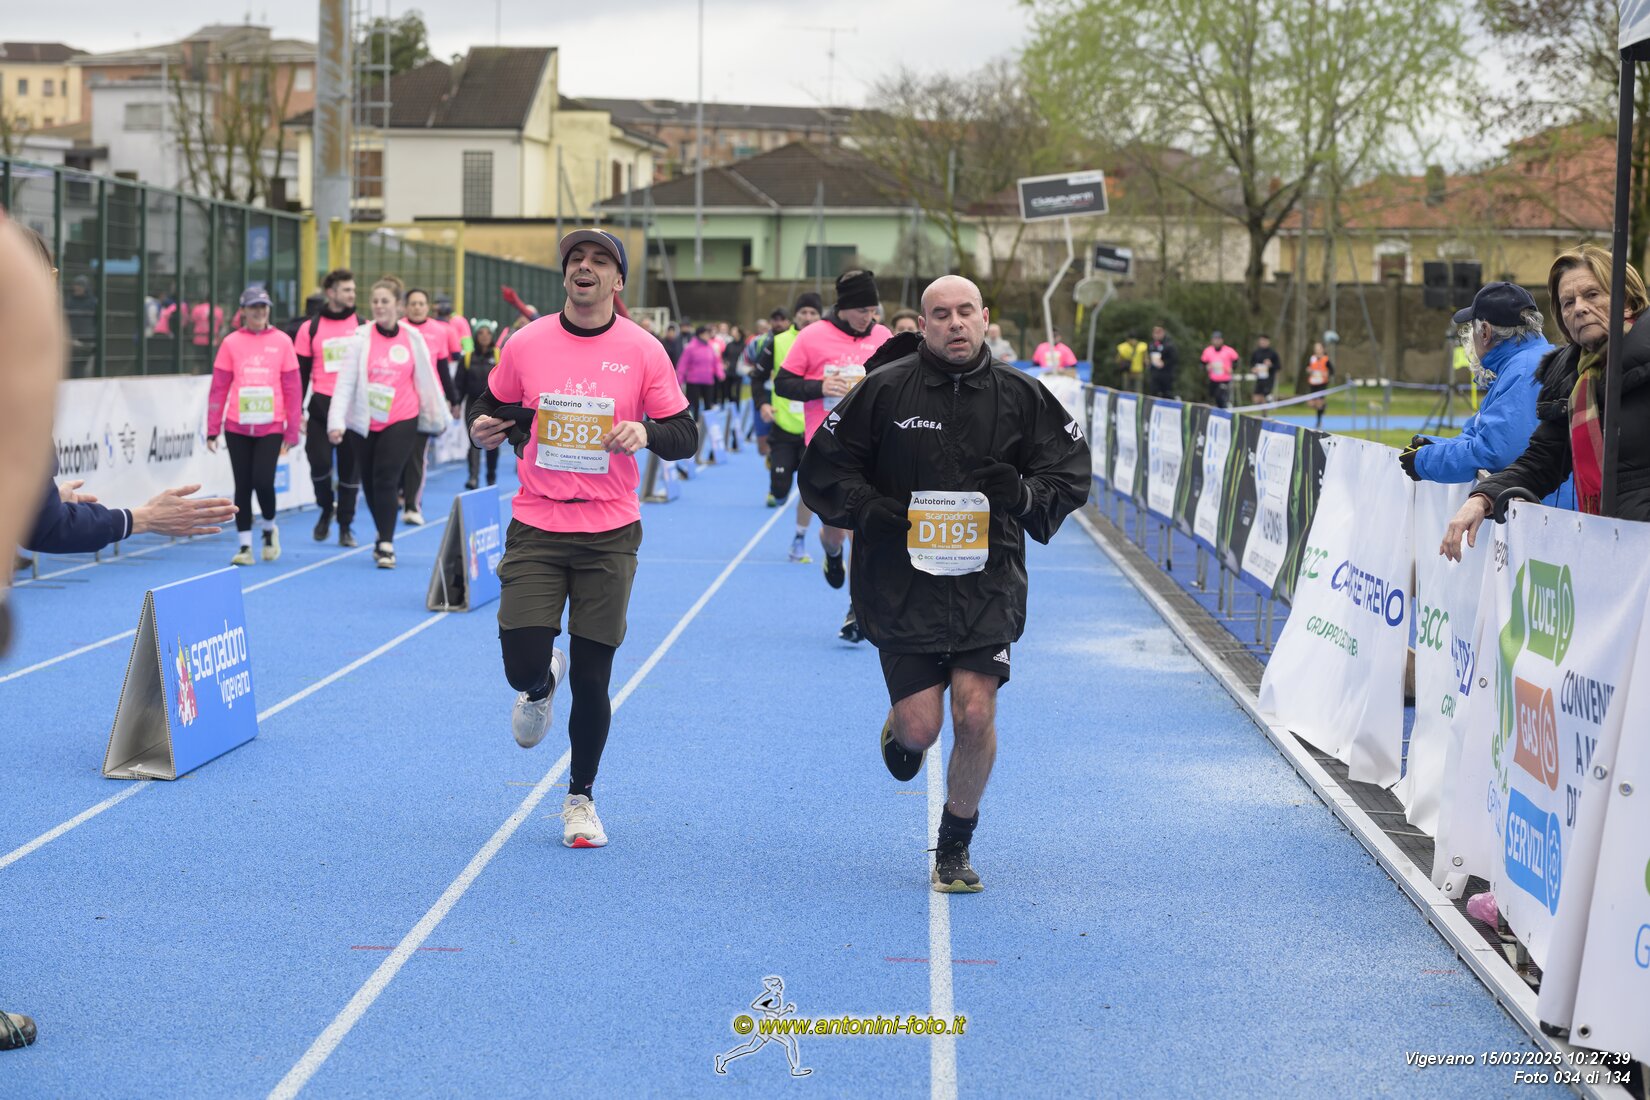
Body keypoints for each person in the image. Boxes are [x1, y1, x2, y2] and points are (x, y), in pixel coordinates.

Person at [798, 275, 1090, 892]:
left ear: (984, 317)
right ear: (922, 325)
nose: (955, 323)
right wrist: (867, 508)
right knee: (921, 729)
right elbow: (826, 465)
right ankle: (901, 730)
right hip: (901, 583)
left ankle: (954, 845)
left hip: (988, 581)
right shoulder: (883, 390)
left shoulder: (1022, 394)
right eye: (940, 314)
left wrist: (1023, 494)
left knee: (975, 712)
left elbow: (1068, 473)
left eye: (965, 312)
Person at [465, 229, 699, 847]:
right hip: (537, 522)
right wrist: (481, 428)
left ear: (617, 281)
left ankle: (580, 798)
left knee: (594, 677)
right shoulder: (528, 341)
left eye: (599, 260)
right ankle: (541, 681)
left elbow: (685, 434)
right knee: (519, 660)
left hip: (609, 531)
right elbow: (487, 406)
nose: (585, 267)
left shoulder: (643, 350)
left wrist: (646, 433)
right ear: (566, 275)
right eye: (576, 259)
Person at [1443, 246, 1650, 560]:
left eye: (1592, 295)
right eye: (1568, 302)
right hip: (1606, 547)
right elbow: (1542, 461)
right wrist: (1482, 498)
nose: (1579, 309)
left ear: (1628, 301)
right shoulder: (1572, 378)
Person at [774, 271, 892, 641]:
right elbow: (783, 383)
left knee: (863, 530)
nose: (868, 318)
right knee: (835, 532)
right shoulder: (812, 336)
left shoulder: (883, 336)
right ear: (843, 307)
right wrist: (819, 386)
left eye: (872, 310)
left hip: (871, 450)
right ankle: (831, 552)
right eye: (861, 311)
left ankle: (856, 609)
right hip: (826, 448)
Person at [1399, 282, 1569, 508]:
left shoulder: (1523, 370)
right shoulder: (1528, 361)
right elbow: (1481, 434)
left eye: (1472, 327)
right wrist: (1434, 445)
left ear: (1485, 332)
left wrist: (1425, 460)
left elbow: (1497, 452)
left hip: (1547, 514)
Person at [327, 278, 446, 569]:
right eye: (375, 301)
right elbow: (345, 383)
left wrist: (438, 414)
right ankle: (382, 531)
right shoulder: (360, 338)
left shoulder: (412, 338)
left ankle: (386, 544)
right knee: (369, 482)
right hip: (364, 421)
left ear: (398, 305)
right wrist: (336, 421)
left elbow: (427, 380)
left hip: (402, 417)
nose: (379, 306)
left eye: (385, 301)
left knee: (386, 478)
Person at [204, 287, 301, 566]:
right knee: (243, 485)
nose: (259, 312)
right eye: (254, 307)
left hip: (271, 426)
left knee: (263, 481)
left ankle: (269, 529)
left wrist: (292, 429)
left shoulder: (282, 341)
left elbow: (293, 388)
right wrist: (212, 428)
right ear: (243, 311)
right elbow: (219, 388)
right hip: (237, 426)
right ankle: (245, 545)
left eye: (263, 306)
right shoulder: (231, 343)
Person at [294, 268, 364, 546]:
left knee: (350, 471)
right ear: (331, 293)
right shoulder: (309, 328)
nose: (352, 294)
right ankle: (325, 508)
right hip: (321, 409)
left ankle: (345, 525)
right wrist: (296, 411)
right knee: (319, 464)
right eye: (346, 290)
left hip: (352, 411)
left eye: (353, 289)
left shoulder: (363, 327)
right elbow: (300, 375)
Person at [400, 287, 463, 525]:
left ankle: (412, 505)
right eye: (413, 304)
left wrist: (453, 399)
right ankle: (399, 490)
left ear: (428, 307)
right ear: (405, 307)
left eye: (421, 304)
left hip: (426, 403)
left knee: (417, 455)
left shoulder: (438, 331)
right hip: (399, 401)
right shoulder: (399, 328)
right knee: (397, 454)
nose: (417, 307)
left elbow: (443, 369)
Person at [458, 319, 503, 489]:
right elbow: (459, 383)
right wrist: (455, 403)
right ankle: (473, 477)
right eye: (481, 333)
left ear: (492, 336)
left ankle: (491, 475)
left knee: (493, 441)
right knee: (474, 439)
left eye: (488, 333)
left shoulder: (500, 356)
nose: (484, 336)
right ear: (476, 336)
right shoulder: (468, 358)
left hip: (495, 405)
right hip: (472, 403)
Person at [677, 324, 724, 424]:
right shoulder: (690, 347)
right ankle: (693, 424)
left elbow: (716, 362)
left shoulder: (710, 347)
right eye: (707, 333)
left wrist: (720, 373)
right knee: (694, 405)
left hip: (708, 380)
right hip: (694, 381)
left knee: (708, 404)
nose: (709, 335)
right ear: (700, 334)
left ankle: (707, 424)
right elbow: (682, 364)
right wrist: (679, 380)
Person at [1200, 330, 1238, 409]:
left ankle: (1224, 410)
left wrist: (1232, 369)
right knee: (1213, 399)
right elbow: (1202, 364)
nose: (1216, 341)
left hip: (1225, 380)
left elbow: (1236, 362)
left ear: (1222, 340)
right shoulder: (1208, 351)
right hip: (1213, 380)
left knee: (1221, 398)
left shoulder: (1229, 350)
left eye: (1218, 339)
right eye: (1215, 339)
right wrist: (1207, 367)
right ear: (1212, 340)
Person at [1305, 341, 1335, 428]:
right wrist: (1308, 370)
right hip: (1313, 383)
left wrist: (1327, 373)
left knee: (1318, 402)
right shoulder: (1312, 358)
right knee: (1311, 404)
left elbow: (1332, 371)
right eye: (1316, 348)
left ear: (1323, 349)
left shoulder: (1326, 359)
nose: (1317, 350)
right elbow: (1307, 368)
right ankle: (1324, 405)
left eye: (1319, 348)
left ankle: (1318, 421)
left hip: (1322, 384)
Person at [435, 293, 474, 358]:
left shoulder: (458, 320)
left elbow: (467, 341)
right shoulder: (434, 321)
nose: (435, 312)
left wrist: (468, 358)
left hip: (455, 358)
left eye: (436, 310)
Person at [720, 323, 746, 407]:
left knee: (737, 392)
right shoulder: (729, 344)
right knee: (726, 392)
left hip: (738, 373)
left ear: (739, 333)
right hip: (729, 372)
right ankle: (728, 408)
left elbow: (747, 358)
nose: (732, 332)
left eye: (734, 330)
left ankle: (737, 409)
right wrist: (725, 363)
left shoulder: (744, 345)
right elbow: (724, 356)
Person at [1147, 324, 1177, 398]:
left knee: (1166, 394)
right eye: (1155, 332)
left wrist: (1164, 363)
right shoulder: (1151, 345)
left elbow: (1174, 359)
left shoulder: (1169, 345)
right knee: (1153, 393)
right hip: (1154, 374)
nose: (1156, 335)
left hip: (1166, 375)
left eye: (1158, 332)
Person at [1250, 334, 1281, 401]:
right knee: (1256, 398)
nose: (1262, 342)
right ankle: (1263, 403)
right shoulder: (1256, 353)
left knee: (1265, 396)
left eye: (1264, 341)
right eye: (1261, 341)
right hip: (1259, 379)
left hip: (1269, 379)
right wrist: (1253, 369)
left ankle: (1269, 402)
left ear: (1268, 342)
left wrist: (1270, 365)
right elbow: (1252, 364)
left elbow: (1278, 366)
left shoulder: (1273, 353)